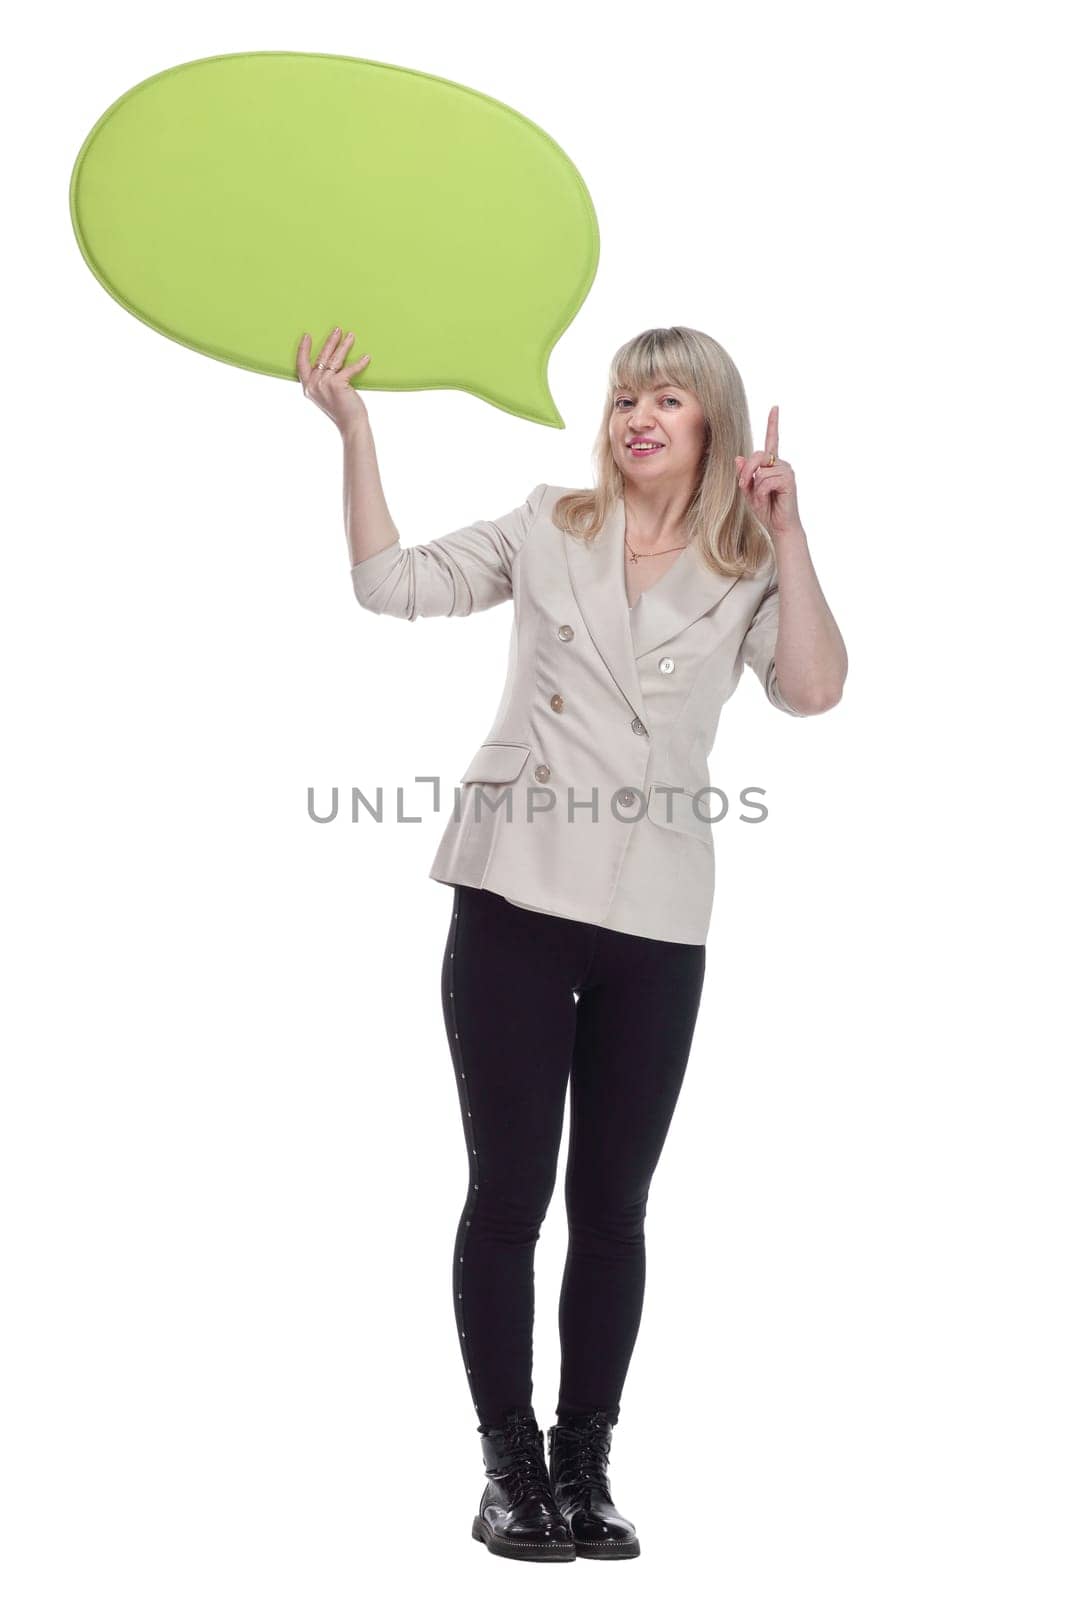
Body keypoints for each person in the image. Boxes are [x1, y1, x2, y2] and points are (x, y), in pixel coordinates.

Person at [298, 323, 848, 1562]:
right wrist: (355, 433)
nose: (636, 417)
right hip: (511, 900)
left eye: (665, 398)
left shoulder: (747, 559)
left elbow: (811, 690)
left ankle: (585, 1468)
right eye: (621, 397)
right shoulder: (549, 522)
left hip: (656, 918)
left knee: (612, 1208)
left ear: (712, 421)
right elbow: (388, 585)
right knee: (508, 1196)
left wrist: (793, 535)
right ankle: (509, 1471)